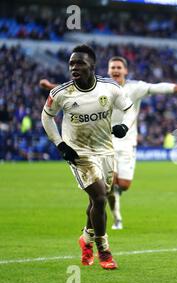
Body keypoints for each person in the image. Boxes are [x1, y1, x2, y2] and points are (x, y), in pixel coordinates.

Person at [40, 57, 177, 230]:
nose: (115, 70)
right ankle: (116, 218)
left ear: (125, 71)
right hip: (103, 141)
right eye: (112, 67)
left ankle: (113, 196)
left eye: (118, 67)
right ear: (108, 70)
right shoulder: (100, 87)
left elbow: (158, 87)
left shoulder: (136, 87)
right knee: (108, 184)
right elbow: (72, 91)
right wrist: (50, 87)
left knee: (124, 185)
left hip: (127, 142)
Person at [41, 44, 135, 269]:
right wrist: (61, 144)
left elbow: (129, 108)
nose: (74, 67)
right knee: (101, 197)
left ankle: (85, 239)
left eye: (80, 63)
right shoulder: (60, 93)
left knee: (96, 200)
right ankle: (104, 250)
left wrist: (124, 125)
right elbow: (46, 118)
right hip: (79, 153)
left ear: (92, 65)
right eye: (71, 63)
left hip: (105, 150)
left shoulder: (109, 88)